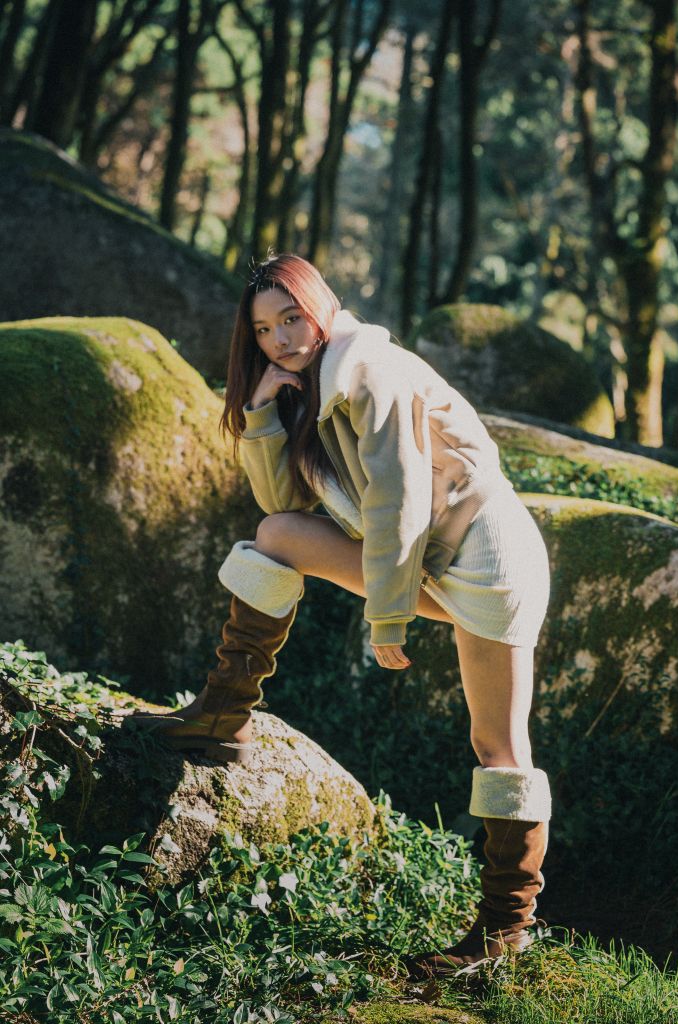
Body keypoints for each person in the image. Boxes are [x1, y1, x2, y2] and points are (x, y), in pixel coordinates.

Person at [130, 252, 552, 974]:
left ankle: (507, 929)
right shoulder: (307, 387)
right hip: (427, 561)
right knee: (276, 537)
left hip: (487, 564)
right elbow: (283, 505)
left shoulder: (369, 371)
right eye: (264, 330)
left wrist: (386, 618)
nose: (281, 338)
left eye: (292, 317)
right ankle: (222, 714)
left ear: (321, 306)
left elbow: (399, 498)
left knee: (498, 745)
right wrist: (261, 413)